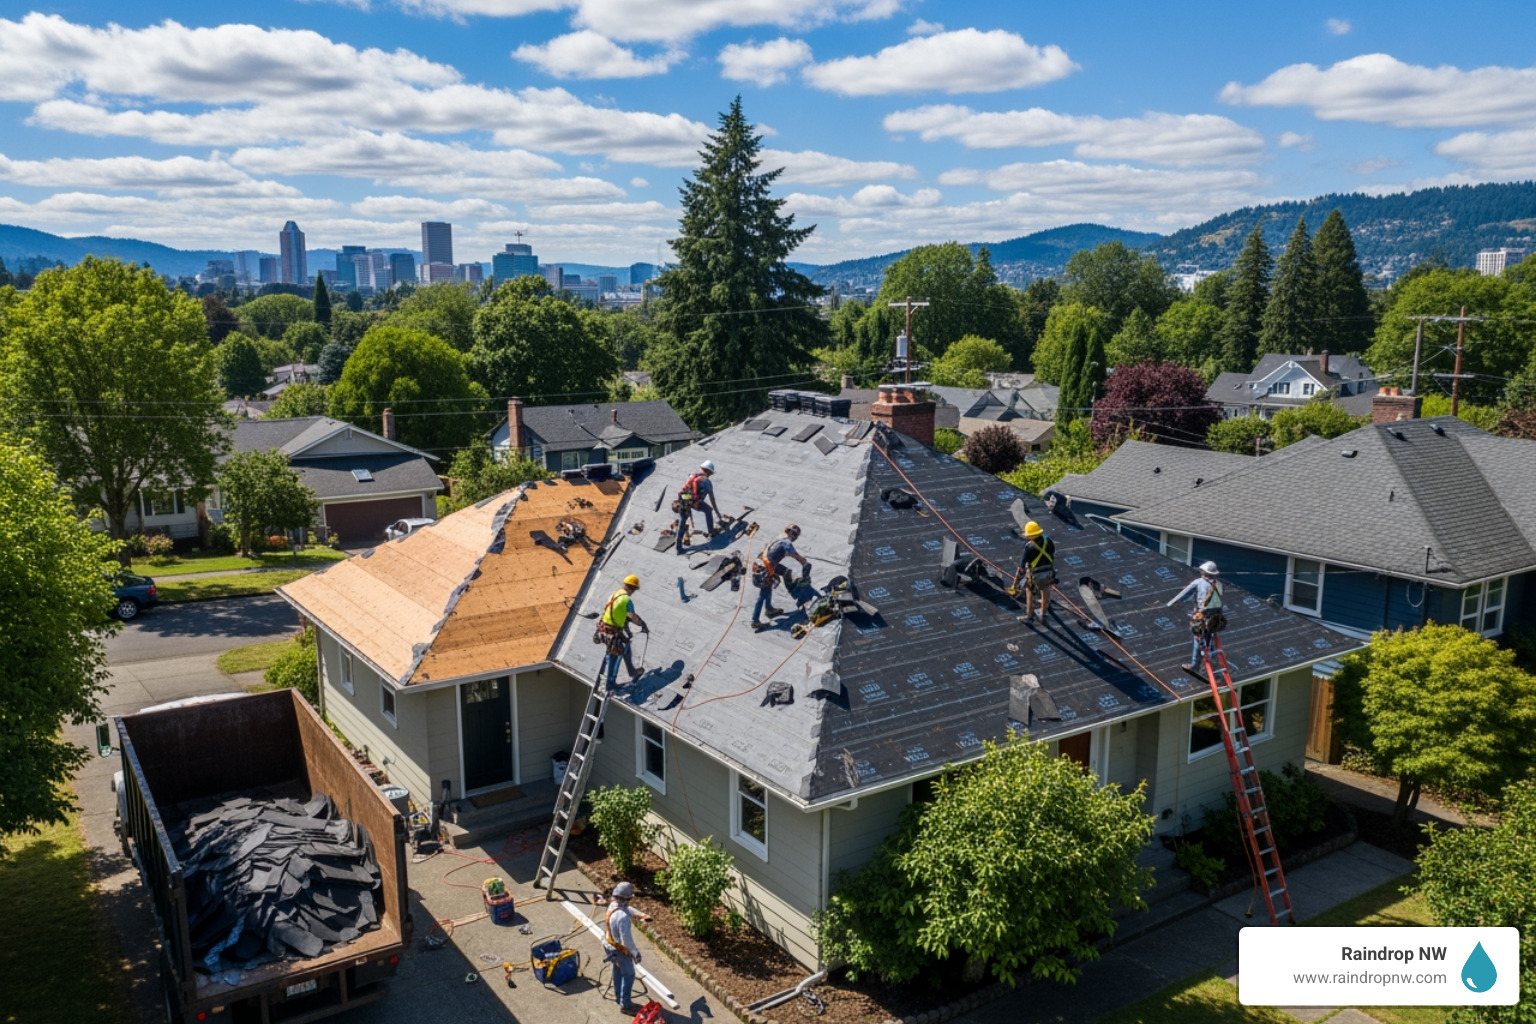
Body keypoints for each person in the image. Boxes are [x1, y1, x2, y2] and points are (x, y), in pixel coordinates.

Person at [1167, 561, 1225, 672]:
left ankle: (1195, 666)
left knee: (1198, 640)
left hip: (1202, 616)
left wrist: (1171, 604)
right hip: (1216, 618)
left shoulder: (1199, 582)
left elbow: (1184, 594)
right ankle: (1214, 666)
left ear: (1204, 572)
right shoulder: (1219, 584)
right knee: (1210, 639)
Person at [751, 525, 810, 632]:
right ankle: (755, 620)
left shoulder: (779, 537)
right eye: (794, 534)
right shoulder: (786, 542)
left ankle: (769, 609)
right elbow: (793, 553)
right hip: (764, 568)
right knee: (763, 593)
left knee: (775, 580)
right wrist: (804, 562)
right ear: (789, 532)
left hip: (763, 564)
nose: (795, 537)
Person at [603, 880, 650, 1013]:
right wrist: (635, 953)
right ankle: (626, 1005)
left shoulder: (613, 905)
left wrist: (640, 915)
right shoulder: (623, 918)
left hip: (609, 944)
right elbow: (626, 940)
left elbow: (626, 908)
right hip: (619, 950)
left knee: (618, 969)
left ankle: (619, 996)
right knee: (629, 974)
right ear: (628, 898)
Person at [599, 576, 648, 687]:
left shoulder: (615, 593)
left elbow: (613, 608)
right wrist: (641, 624)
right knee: (615, 656)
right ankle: (610, 684)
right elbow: (632, 616)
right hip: (614, 631)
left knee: (625, 649)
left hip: (604, 628)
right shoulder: (626, 600)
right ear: (633, 589)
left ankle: (632, 672)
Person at [1011, 520, 1056, 623]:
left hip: (1035, 575)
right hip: (1048, 572)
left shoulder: (1030, 547)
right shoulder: (1048, 540)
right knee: (1046, 590)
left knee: (1029, 593)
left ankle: (1029, 616)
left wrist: (1016, 584)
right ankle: (1044, 612)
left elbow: (1021, 567)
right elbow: (1052, 554)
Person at [674, 460, 723, 553]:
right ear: (709, 472)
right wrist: (718, 513)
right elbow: (712, 500)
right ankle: (711, 532)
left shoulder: (692, 476)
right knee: (708, 510)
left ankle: (678, 547)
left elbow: (683, 491)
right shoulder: (707, 482)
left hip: (684, 502)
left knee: (682, 522)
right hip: (696, 503)